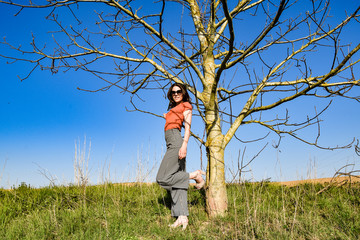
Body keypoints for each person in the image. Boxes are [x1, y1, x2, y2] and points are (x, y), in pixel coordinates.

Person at [156, 83, 205, 230]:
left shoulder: (187, 106)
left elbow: (188, 127)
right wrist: (168, 115)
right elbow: (172, 121)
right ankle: (182, 217)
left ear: (183, 93)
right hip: (171, 141)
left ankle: (195, 175)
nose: (176, 93)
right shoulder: (173, 109)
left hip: (177, 142)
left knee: (162, 178)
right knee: (178, 181)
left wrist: (184, 145)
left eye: (178, 91)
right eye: (173, 92)